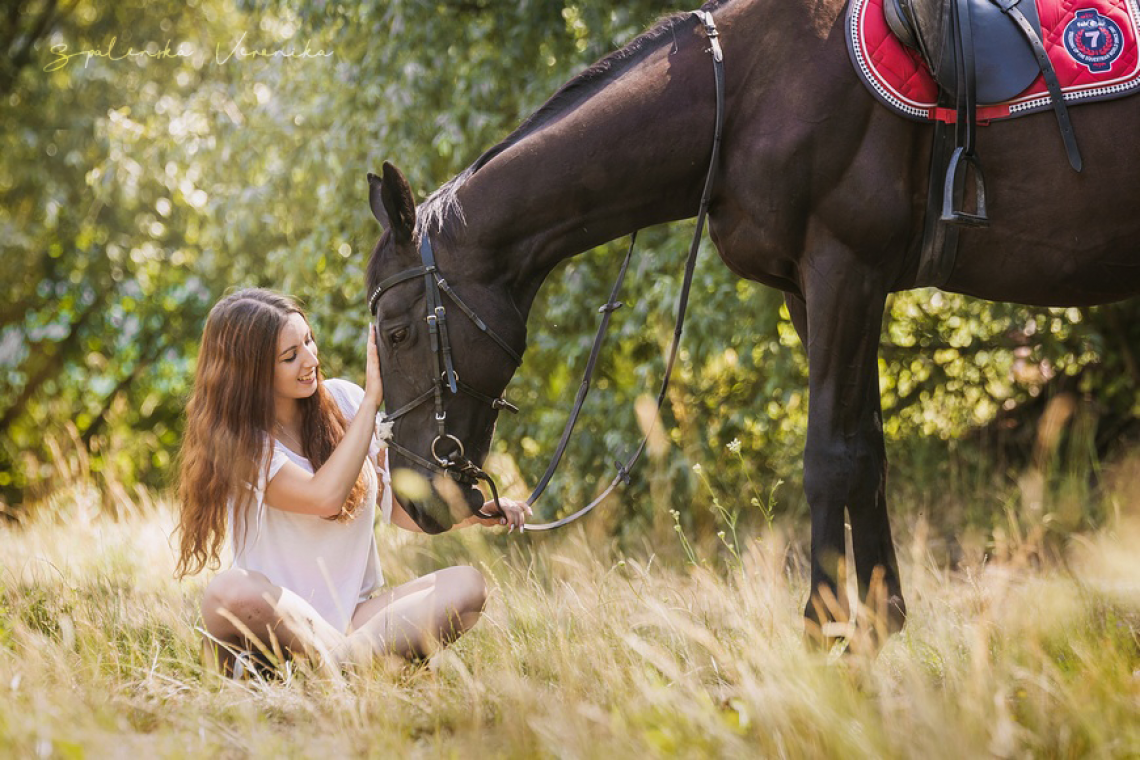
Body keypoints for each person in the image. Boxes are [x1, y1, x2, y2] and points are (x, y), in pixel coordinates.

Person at [175, 288, 530, 678]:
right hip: (273, 623)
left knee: (467, 585)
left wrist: (472, 513)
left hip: (358, 620)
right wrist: (373, 401)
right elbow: (325, 497)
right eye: (290, 356)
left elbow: (400, 509)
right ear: (251, 372)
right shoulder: (239, 444)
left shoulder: (345, 402)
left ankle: (331, 669)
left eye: (308, 341)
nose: (310, 359)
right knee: (228, 591)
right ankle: (358, 666)